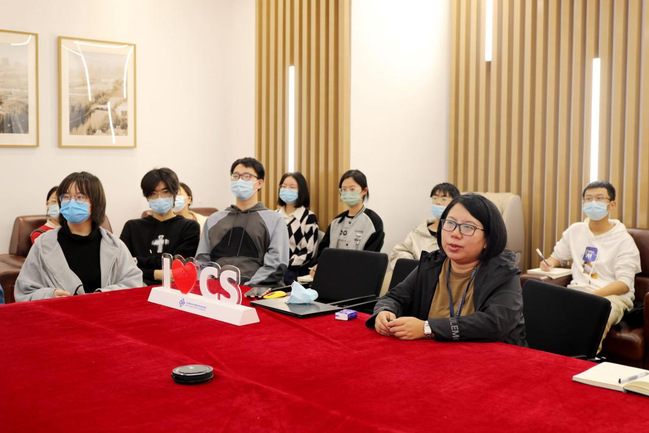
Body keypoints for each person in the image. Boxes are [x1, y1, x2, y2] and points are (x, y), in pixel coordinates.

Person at [367, 193, 526, 345]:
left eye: (467, 227)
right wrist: (385, 311)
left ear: (488, 239)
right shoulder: (433, 263)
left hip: (493, 357)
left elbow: (495, 324)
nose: (455, 234)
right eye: (450, 223)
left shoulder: (504, 272)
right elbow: (394, 297)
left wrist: (427, 328)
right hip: (436, 354)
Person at [539, 180, 641, 345]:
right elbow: (557, 256)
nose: (593, 203)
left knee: (591, 315)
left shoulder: (624, 240)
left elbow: (624, 284)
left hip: (612, 298)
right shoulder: (575, 231)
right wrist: (549, 262)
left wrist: (590, 298)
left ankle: (582, 359)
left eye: (599, 198)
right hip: (577, 292)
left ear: (612, 204)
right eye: (588, 198)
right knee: (542, 311)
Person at [15, 172, 143, 301]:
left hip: (104, 311)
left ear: (96, 202)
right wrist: (50, 295)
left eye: (80, 197)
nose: (71, 203)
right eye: (66, 197)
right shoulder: (43, 244)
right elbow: (24, 292)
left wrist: (103, 295)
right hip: (58, 312)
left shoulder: (115, 245)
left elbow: (133, 285)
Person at [196, 157, 289, 290]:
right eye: (236, 176)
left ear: (259, 183)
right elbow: (202, 261)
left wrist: (246, 289)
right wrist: (211, 287)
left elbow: (276, 265)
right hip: (215, 290)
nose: (240, 180)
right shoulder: (213, 220)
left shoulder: (275, 220)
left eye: (247, 176)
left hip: (255, 291)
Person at [120, 168, 200, 286]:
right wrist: (156, 273)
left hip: (174, 289)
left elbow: (178, 266)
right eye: (153, 193)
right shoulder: (132, 227)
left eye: (165, 192)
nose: (160, 198)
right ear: (147, 197)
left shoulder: (189, 227)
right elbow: (123, 268)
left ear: (174, 193)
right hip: (137, 287)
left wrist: (138, 260)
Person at [311, 169, 384, 275]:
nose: (347, 193)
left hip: (358, 277)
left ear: (364, 191)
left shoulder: (373, 222)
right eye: (344, 189)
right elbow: (323, 253)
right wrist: (317, 267)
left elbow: (371, 259)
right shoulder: (336, 222)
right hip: (331, 275)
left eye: (352, 189)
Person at [389, 182, 460, 270]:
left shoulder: (457, 233)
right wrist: (413, 266)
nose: (437, 202)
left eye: (444, 199)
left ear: (455, 203)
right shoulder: (419, 231)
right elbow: (400, 252)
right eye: (434, 198)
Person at [276, 172, 319, 284]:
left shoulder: (309, 218)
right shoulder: (274, 216)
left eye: (292, 187)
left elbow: (308, 253)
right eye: (284, 186)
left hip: (295, 272)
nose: (287, 190)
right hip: (272, 268)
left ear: (301, 191)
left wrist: (284, 264)